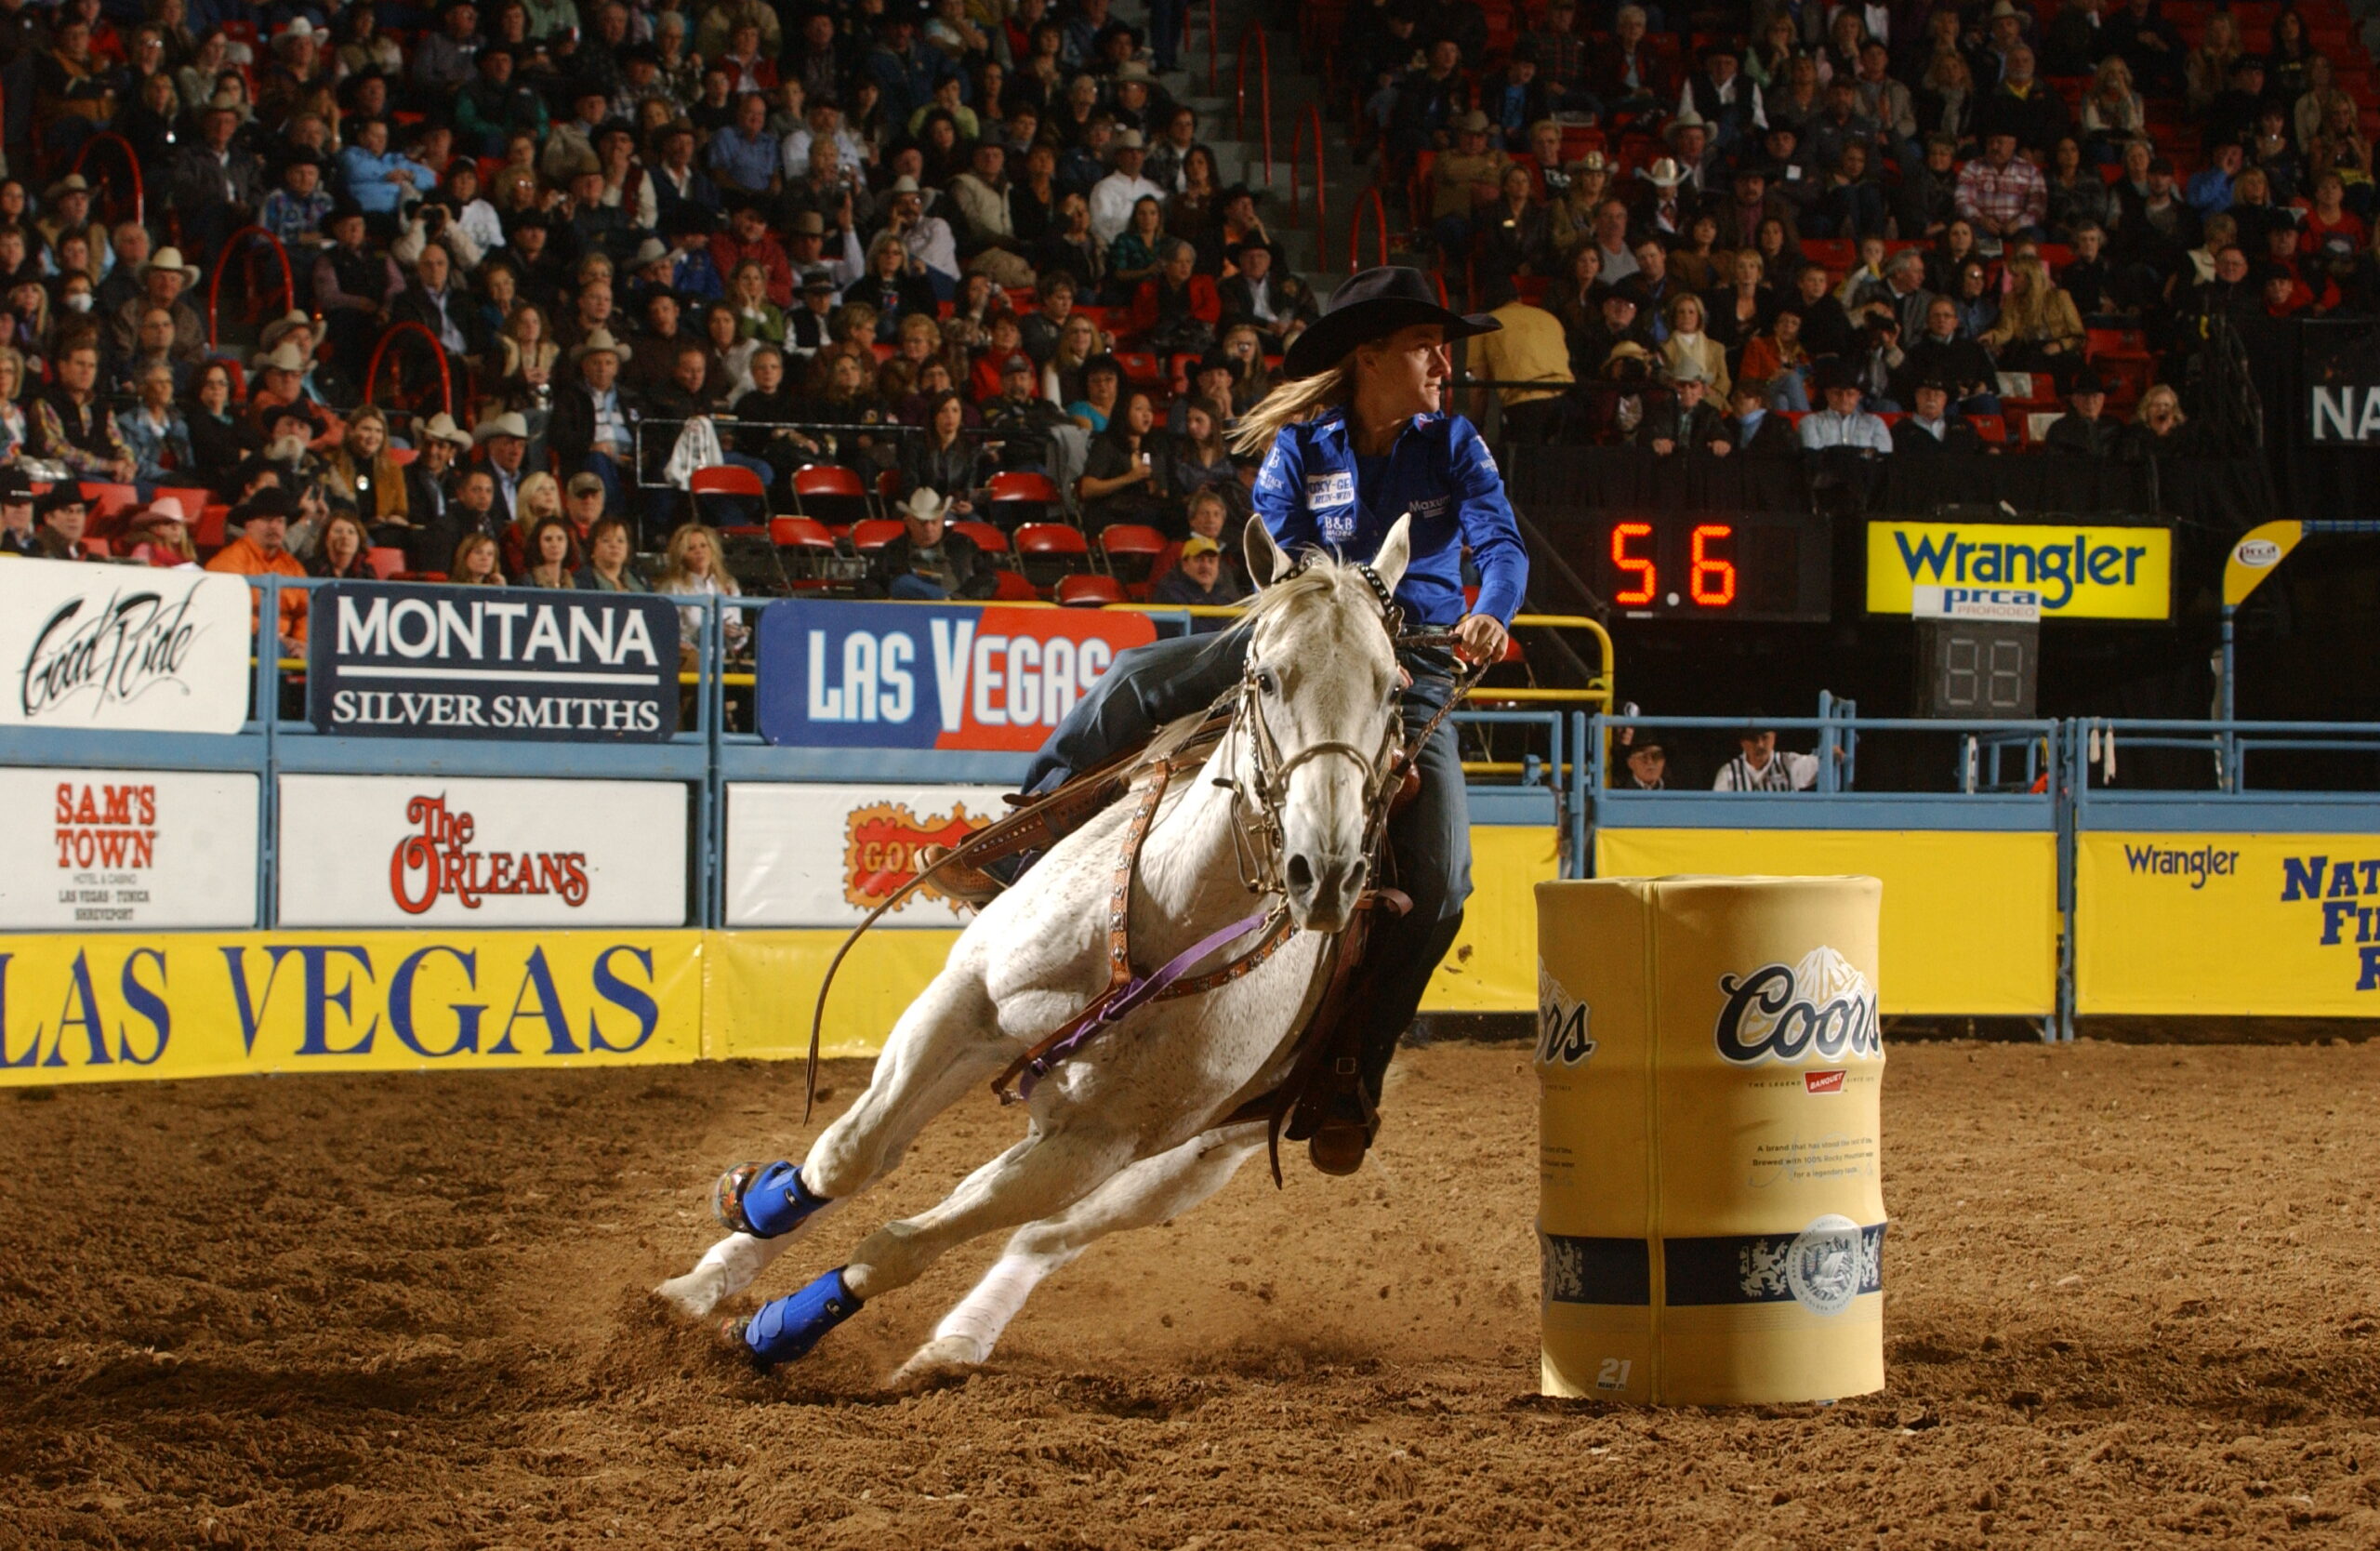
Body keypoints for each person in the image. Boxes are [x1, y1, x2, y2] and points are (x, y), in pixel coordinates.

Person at [953, 266, 1527, 1176]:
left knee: (1442, 885)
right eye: (1427, 346)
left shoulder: (1454, 442)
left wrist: (1490, 609)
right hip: (1299, 644)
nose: (1443, 364)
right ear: (1372, 355)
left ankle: (1350, 1074)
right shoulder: (1302, 447)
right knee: (1134, 678)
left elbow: (1499, 544)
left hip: (1408, 663)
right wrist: (1323, 609)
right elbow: (1273, 539)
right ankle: (1022, 844)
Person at [205, 489, 310, 650]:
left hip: (285, 646)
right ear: (248, 525)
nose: (274, 526)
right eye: (267, 520)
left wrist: (301, 644)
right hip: (240, 642)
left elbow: (306, 611)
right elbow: (226, 610)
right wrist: (275, 637)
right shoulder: (229, 560)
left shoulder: (293, 566)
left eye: (280, 521)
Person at [864, 487, 998, 601]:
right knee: (903, 583)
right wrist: (887, 602)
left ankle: (944, 600)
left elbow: (988, 579)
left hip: (957, 609)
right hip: (909, 612)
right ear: (909, 522)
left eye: (934, 522)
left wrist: (959, 598)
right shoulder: (893, 549)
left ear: (942, 520)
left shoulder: (964, 544)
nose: (929, 528)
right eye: (922, 522)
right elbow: (868, 584)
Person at [1149, 532, 1247, 612]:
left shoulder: (1227, 594)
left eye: (1211, 561)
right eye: (1199, 559)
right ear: (1185, 564)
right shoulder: (1170, 593)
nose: (1206, 566)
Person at [1714, 726, 1819, 791]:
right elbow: (1716, 809)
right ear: (1743, 743)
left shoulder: (1788, 763)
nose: (1760, 745)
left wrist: (1828, 753)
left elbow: (1819, 764)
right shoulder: (1729, 772)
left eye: (1765, 737)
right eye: (1753, 739)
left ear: (1774, 738)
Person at [576, 517, 649, 591]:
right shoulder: (580, 582)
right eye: (606, 540)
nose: (614, 545)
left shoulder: (640, 579)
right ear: (592, 549)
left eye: (620, 541)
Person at [522, 514, 582, 588]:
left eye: (560, 539)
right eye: (548, 539)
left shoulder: (576, 583)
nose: (555, 545)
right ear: (537, 544)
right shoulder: (528, 582)